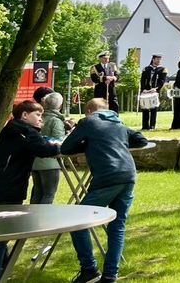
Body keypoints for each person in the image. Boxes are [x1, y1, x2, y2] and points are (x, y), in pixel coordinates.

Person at [62, 98, 148, 283]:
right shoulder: (118, 123)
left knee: (77, 221)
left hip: (108, 176)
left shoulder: (88, 122)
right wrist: (117, 143)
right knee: (117, 225)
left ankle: (89, 269)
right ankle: (110, 275)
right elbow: (142, 140)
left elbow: (66, 147)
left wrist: (89, 144)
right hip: (128, 175)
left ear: (88, 111)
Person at [0, 100, 62, 283]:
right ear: (25, 115)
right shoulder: (21, 130)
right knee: (0, 238)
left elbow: (38, 143)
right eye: (37, 115)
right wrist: (62, 145)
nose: (41, 119)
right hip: (5, 190)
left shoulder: (18, 129)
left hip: (5, 187)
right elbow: (44, 149)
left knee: (1, 236)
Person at [31, 92, 69, 204]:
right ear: (60, 106)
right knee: (48, 194)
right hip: (50, 162)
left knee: (37, 193)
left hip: (35, 161)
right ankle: (44, 215)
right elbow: (59, 141)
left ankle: (32, 214)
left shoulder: (38, 119)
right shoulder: (56, 121)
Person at [138, 53, 169, 130]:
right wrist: (143, 89)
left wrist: (156, 89)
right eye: (157, 59)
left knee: (153, 108)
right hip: (146, 90)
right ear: (153, 59)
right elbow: (142, 80)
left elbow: (162, 81)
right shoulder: (146, 69)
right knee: (145, 108)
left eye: (159, 59)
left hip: (154, 91)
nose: (158, 61)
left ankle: (152, 125)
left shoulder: (162, 69)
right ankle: (145, 126)